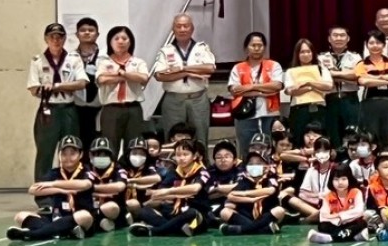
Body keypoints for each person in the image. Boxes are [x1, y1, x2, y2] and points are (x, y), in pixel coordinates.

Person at [7, 135, 96, 241]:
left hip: (79, 218)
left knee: (84, 216)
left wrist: (53, 184)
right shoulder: (54, 172)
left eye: (72, 154)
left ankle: (33, 234)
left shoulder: (86, 170)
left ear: (81, 154)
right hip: (57, 217)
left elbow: (85, 184)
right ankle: (63, 232)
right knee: (20, 216)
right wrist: (60, 190)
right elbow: (32, 190)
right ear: (59, 155)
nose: (68, 157)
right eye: (64, 154)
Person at [29, 22, 87, 181]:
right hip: (48, 110)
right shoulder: (38, 61)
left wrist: (56, 86)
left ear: (64, 39)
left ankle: (71, 188)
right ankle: (43, 191)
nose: (56, 40)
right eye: (52, 37)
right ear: (46, 39)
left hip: (68, 110)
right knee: (45, 152)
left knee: (71, 150)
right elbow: (33, 88)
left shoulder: (73, 59)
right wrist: (49, 88)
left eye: (59, 37)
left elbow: (81, 83)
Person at [150, 15, 215, 148]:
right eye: (178, 26)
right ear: (173, 29)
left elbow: (210, 68)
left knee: (200, 138)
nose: (182, 29)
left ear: (192, 28)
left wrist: (182, 69)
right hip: (174, 100)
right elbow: (160, 76)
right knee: (172, 138)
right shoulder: (166, 50)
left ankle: (202, 161)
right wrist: (187, 73)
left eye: (186, 26)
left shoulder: (201, 48)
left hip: (198, 99)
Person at [130, 138, 211, 238]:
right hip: (174, 212)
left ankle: (155, 231)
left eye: (185, 154)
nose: (181, 158)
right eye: (178, 155)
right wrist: (158, 194)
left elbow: (195, 189)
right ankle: (177, 229)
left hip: (196, 215)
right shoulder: (173, 172)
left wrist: (169, 191)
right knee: (144, 211)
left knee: (191, 213)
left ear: (194, 156)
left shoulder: (202, 171)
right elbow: (160, 192)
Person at [93, 26, 150, 149]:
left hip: (133, 109)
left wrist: (123, 73)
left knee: (134, 146)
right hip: (111, 109)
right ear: (110, 42)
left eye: (124, 38)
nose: (120, 41)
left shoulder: (138, 62)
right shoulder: (104, 62)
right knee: (110, 146)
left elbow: (144, 78)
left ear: (130, 42)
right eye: (116, 38)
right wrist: (128, 77)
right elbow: (102, 79)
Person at [224, 32, 281, 152]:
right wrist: (261, 92)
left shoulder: (274, 65)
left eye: (260, 45)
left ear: (264, 47)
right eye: (253, 45)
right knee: (246, 149)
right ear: (246, 48)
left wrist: (249, 87)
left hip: (270, 113)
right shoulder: (238, 68)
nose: (256, 48)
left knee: (271, 148)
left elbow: (276, 86)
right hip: (244, 113)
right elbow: (235, 90)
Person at [216, 145, 283, 236]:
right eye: (251, 164)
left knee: (279, 211)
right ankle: (264, 230)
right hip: (247, 216)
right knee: (224, 212)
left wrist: (245, 193)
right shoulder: (244, 180)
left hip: (266, 215)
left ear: (267, 166)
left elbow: (270, 190)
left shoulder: (271, 179)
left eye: (258, 163)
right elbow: (231, 196)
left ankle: (241, 230)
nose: (254, 166)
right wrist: (250, 199)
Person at [356, 30, 388, 137]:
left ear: (384, 45)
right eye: (371, 43)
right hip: (370, 103)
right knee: (370, 135)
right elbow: (364, 81)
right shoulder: (362, 64)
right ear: (366, 45)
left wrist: (377, 77)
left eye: (378, 43)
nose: (375, 46)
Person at [282, 39, 332, 137]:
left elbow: (328, 86)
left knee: (319, 138)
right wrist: (311, 88)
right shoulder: (290, 71)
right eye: (302, 52)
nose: (306, 54)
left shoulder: (321, 69)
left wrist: (308, 83)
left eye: (308, 51)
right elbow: (291, 91)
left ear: (313, 53)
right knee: (298, 138)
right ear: (297, 54)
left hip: (319, 109)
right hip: (299, 110)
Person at [305, 166, 368, 243]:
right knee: (322, 226)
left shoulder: (356, 192)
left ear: (349, 179)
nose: (340, 183)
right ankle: (354, 236)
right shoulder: (328, 196)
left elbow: (359, 211)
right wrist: (337, 220)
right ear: (331, 181)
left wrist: (339, 216)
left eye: (344, 179)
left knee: (362, 223)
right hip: (335, 224)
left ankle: (331, 238)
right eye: (336, 179)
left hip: (351, 223)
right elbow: (324, 216)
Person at [319, 26, 362, 138]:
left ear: (348, 38)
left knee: (352, 134)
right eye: (335, 35)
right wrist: (347, 76)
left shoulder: (356, 57)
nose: (339, 38)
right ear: (329, 39)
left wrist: (332, 74)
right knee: (332, 135)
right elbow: (321, 78)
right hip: (329, 100)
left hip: (350, 100)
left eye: (342, 35)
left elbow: (357, 76)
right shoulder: (321, 58)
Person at [70, 19, 104, 147]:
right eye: (83, 30)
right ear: (77, 34)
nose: (87, 33)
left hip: (100, 108)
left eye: (91, 30)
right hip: (76, 107)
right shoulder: (70, 57)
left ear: (97, 34)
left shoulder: (105, 56)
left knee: (97, 145)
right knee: (76, 144)